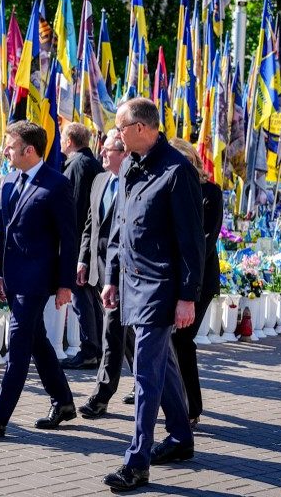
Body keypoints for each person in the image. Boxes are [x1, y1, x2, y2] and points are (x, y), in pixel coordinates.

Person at [101, 98, 205, 491]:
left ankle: (137, 462)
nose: (116, 135)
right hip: (131, 283)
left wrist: (187, 296)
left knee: (145, 373)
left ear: (141, 128)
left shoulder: (177, 171)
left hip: (161, 287)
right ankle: (180, 437)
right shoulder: (130, 164)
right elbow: (121, 227)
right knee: (164, 366)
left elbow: (191, 242)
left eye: (121, 128)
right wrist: (111, 277)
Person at [0, 121, 78, 441]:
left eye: (10, 146)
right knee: (36, 340)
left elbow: (69, 239)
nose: (5, 151)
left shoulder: (57, 184)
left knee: (17, 346)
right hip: (12, 278)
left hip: (37, 280)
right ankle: (63, 401)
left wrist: (65, 284)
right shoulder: (9, 181)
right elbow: (4, 230)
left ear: (29, 150)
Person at [76, 129, 134, 418]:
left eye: (108, 149)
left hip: (124, 272)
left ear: (123, 153)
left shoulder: (133, 181)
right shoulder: (100, 180)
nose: (101, 153)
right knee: (125, 332)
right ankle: (151, 381)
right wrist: (83, 259)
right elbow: (91, 223)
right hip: (99, 270)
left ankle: (101, 395)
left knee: (112, 333)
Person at [168, 138, 224, 429]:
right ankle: (171, 398)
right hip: (170, 277)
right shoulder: (169, 188)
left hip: (199, 279)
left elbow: (206, 239)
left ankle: (192, 407)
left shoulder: (210, 192)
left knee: (182, 340)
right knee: (167, 341)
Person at [60, 122, 104, 369]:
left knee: (81, 297)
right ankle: (95, 349)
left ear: (69, 141)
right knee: (89, 296)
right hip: (89, 242)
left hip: (79, 243)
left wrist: (73, 249)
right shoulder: (93, 163)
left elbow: (74, 208)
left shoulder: (77, 165)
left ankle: (89, 349)